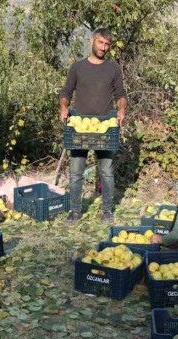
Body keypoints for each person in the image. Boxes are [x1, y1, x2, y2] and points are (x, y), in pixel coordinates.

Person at [59, 27, 127, 225]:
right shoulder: (78, 67)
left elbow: (121, 94)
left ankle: (107, 211)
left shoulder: (113, 69)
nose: (103, 47)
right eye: (100, 43)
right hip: (79, 128)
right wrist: (64, 107)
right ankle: (75, 212)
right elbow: (66, 91)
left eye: (107, 44)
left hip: (105, 127)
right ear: (92, 41)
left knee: (106, 171)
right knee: (76, 172)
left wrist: (121, 110)